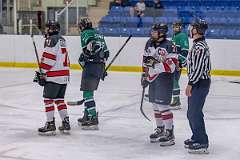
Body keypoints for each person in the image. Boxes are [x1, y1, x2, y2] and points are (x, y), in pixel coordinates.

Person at [141, 23, 178, 146]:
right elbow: (145, 61)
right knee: (155, 106)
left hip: (164, 80)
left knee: (163, 107)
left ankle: (169, 132)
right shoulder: (149, 43)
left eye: (154, 31)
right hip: (153, 80)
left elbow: (172, 66)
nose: (152, 33)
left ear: (161, 33)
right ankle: (160, 128)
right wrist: (144, 75)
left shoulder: (169, 45)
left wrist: (155, 66)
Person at [34, 20, 71, 135]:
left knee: (48, 99)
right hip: (64, 75)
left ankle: (50, 124)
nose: (45, 30)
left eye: (47, 28)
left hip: (55, 76)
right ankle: (66, 122)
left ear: (51, 29)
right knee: (59, 99)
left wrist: (42, 72)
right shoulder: (62, 39)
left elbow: (49, 58)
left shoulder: (50, 39)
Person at [78, 18, 109, 130]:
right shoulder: (99, 34)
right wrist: (102, 67)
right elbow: (106, 53)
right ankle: (87, 115)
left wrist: (88, 54)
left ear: (82, 26)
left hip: (91, 66)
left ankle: (93, 117)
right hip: (99, 66)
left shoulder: (86, 33)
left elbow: (92, 43)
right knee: (88, 93)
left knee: (87, 94)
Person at [184, 19, 211, 154]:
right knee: (191, 113)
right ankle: (196, 136)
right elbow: (192, 63)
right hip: (196, 83)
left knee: (195, 113)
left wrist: (190, 83)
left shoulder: (200, 46)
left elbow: (199, 69)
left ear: (197, 30)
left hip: (199, 83)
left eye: (193, 27)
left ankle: (202, 142)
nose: (190, 29)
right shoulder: (196, 45)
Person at [170, 20, 189, 110]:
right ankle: (174, 100)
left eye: (177, 27)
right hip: (172, 62)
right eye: (174, 26)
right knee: (172, 80)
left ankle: (176, 101)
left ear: (180, 27)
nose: (175, 28)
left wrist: (179, 61)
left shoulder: (183, 36)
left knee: (174, 80)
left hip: (177, 62)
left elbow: (185, 50)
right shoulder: (174, 36)